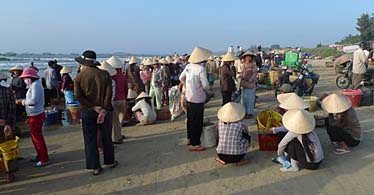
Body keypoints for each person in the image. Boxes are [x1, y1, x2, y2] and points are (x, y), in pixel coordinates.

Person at [74, 50, 117, 176]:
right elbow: (109, 95)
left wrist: (93, 107)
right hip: (104, 110)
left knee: (90, 139)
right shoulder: (105, 74)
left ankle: (95, 167)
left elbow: (78, 96)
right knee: (106, 137)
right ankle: (109, 161)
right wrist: (103, 109)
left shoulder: (79, 77)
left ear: (84, 63)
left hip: (88, 111)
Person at [179, 47, 212, 151]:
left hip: (189, 96)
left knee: (190, 119)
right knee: (197, 121)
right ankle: (195, 143)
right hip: (198, 98)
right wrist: (203, 89)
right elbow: (206, 85)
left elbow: (181, 78)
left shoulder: (188, 66)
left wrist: (187, 86)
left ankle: (190, 138)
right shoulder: (200, 69)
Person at [16, 68, 50, 167]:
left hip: (36, 115)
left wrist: (21, 102)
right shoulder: (34, 85)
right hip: (34, 114)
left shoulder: (36, 85)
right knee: (35, 137)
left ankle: (44, 158)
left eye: (25, 78)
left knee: (37, 138)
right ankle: (40, 155)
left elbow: (33, 101)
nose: (24, 80)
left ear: (30, 77)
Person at [105, 58, 129, 144]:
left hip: (115, 100)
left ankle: (117, 138)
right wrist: (126, 98)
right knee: (120, 120)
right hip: (123, 99)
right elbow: (126, 88)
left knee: (115, 121)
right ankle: (119, 135)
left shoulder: (111, 76)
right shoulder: (122, 75)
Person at [0, 72, 17, 183]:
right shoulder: (7, 91)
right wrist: (8, 123)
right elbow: (12, 109)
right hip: (5, 124)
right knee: (6, 149)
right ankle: (8, 174)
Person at [240, 51, 258, 118]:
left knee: (250, 99)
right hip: (244, 84)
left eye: (249, 57)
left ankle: (250, 113)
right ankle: (244, 112)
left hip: (250, 84)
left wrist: (250, 80)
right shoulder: (244, 64)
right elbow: (242, 72)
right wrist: (241, 76)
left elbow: (254, 73)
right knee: (243, 99)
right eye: (247, 57)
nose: (248, 58)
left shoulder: (254, 64)